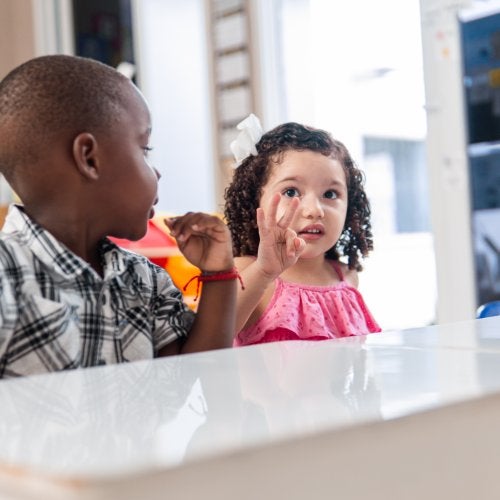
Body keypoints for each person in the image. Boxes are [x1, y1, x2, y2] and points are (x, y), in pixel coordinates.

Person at [0, 55, 238, 378]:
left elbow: (196, 374)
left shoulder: (146, 280)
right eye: (145, 149)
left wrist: (218, 276)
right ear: (89, 158)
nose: (157, 171)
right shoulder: (7, 279)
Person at [224, 115, 381, 346]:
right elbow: (215, 338)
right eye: (291, 192)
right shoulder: (248, 272)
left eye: (330, 194)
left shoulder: (346, 277)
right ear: (254, 201)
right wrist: (264, 272)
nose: (314, 210)